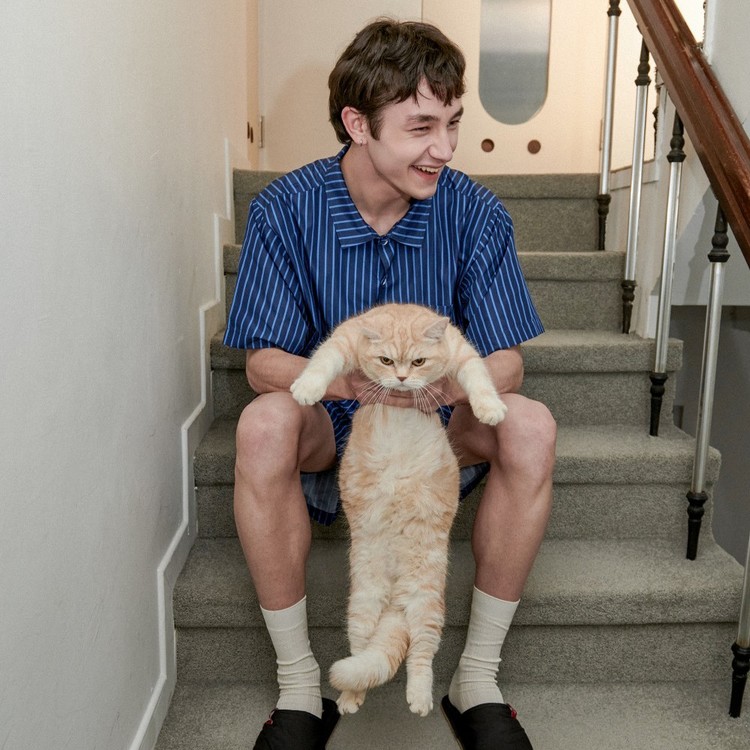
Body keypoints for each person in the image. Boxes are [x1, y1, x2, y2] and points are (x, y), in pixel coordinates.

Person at [224, 18, 556, 750]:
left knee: (531, 424)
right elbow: (261, 365)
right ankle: (298, 690)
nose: (445, 148)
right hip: (336, 425)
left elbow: (506, 364)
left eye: (453, 123)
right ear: (358, 125)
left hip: (434, 429)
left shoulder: (476, 213)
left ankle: (476, 681)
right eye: (421, 127)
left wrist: (436, 393)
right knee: (262, 424)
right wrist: (356, 387)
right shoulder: (283, 209)